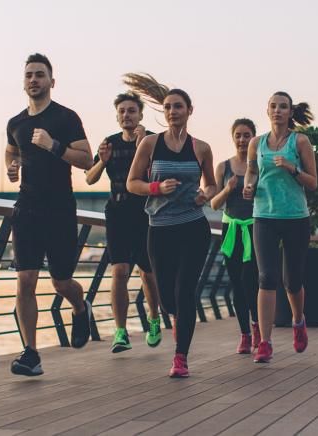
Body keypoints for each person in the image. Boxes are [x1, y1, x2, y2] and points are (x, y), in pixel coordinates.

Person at [5, 53, 94, 376]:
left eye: (40, 75)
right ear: (23, 81)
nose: (33, 80)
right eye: (29, 74)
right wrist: (11, 168)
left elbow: (87, 160)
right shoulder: (15, 123)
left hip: (59, 209)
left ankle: (80, 306)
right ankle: (31, 354)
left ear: (51, 82)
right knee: (25, 280)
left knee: (60, 282)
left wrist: (53, 146)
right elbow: (11, 150)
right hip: (26, 208)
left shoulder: (66, 118)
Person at [125, 73, 217, 378]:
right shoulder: (150, 144)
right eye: (167, 107)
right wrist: (155, 189)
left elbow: (213, 185)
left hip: (193, 227)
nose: (172, 112)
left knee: (185, 290)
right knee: (166, 297)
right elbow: (132, 183)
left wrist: (206, 194)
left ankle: (181, 358)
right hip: (160, 228)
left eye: (178, 106)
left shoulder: (201, 148)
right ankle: (177, 318)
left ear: (189, 110)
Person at [243, 92, 318, 363]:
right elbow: (252, 171)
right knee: (266, 277)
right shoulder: (256, 143)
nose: (277, 111)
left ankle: (298, 321)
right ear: (267, 111)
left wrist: (291, 167)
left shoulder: (300, 142)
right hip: (264, 216)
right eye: (273, 106)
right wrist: (248, 186)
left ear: (290, 112)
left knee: (293, 280)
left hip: (296, 217)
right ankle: (265, 342)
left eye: (283, 107)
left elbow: (313, 182)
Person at [85, 92, 163, 352]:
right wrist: (102, 161)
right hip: (117, 212)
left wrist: (143, 144)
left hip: (146, 213)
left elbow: (157, 174)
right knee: (119, 271)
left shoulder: (152, 141)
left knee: (148, 274)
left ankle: (153, 318)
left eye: (131, 111)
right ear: (117, 116)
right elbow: (90, 178)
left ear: (140, 115)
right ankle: (121, 332)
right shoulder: (109, 143)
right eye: (122, 111)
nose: (126, 115)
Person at [210, 118, 260, 354]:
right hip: (231, 231)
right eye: (238, 135)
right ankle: (245, 334)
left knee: (252, 282)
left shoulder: (259, 165)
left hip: (253, 229)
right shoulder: (223, 167)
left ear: (254, 139)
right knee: (237, 284)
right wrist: (228, 189)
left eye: (247, 135)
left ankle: (257, 326)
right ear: (233, 138)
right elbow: (214, 204)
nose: (242, 140)